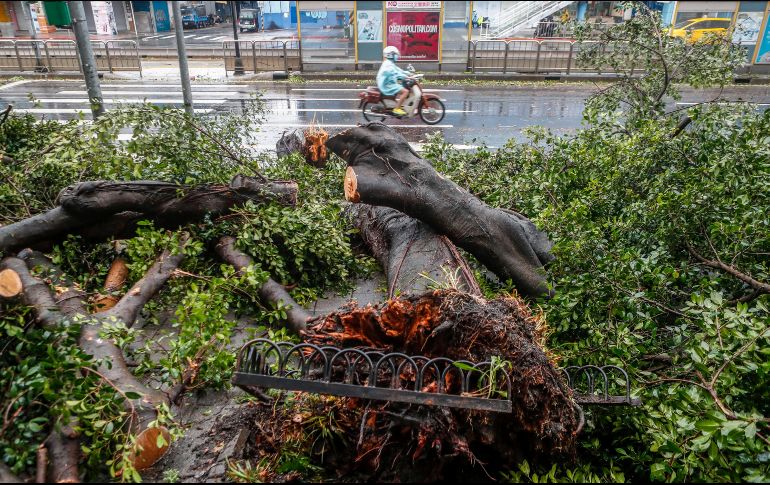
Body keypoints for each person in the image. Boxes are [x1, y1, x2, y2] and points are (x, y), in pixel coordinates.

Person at [377, 46, 411, 116]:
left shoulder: (389, 63)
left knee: (402, 85)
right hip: (386, 85)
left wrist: (407, 73)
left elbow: (398, 70)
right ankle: (397, 109)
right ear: (390, 55)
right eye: (395, 54)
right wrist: (406, 76)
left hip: (389, 82)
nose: (397, 56)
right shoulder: (388, 64)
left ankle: (397, 104)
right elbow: (396, 73)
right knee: (405, 91)